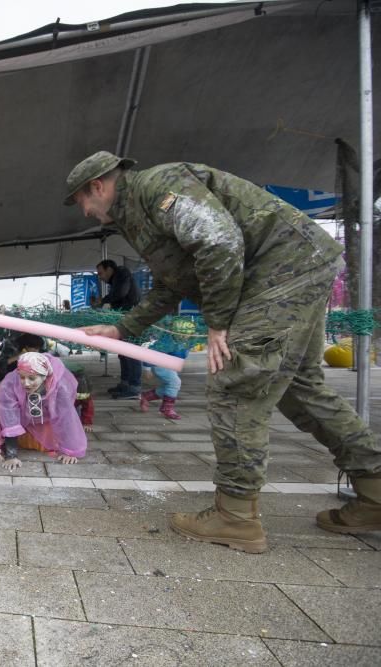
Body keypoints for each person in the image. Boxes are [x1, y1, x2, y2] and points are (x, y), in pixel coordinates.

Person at [65, 150, 381, 552]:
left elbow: (218, 240)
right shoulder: (138, 215)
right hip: (292, 270)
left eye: (83, 202)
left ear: (98, 185)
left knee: (236, 384)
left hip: (278, 272)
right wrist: (123, 327)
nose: (87, 212)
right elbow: (173, 281)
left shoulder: (158, 187)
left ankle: (235, 516)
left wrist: (218, 321)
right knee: (300, 389)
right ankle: (375, 489)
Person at [0, 352, 87, 471]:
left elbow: (66, 418)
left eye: (32, 378)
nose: (26, 383)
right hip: (23, 424)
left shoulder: (60, 386)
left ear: (44, 376)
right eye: (22, 377)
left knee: (51, 443)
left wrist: (69, 451)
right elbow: (8, 417)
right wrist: (11, 455)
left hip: (49, 424)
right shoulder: (9, 384)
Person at [94, 259, 142, 399]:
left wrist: (104, 301)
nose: (100, 276)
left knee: (131, 352)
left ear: (109, 269)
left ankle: (134, 387)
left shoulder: (122, 273)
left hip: (132, 318)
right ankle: (125, 383)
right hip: (124, 319)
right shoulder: (116, 279)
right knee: (123, 352)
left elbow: (121, 293)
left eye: (101, 273)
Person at [140, 318, 194, 420]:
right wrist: (147, 369)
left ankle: (146, 396)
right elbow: (151, 353)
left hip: (171, 365)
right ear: (174, 332)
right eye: (181, 333)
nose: (184, 336)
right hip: (160, 365)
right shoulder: (166, 341)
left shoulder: (187, 341)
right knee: (175, 383)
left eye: (187, 334)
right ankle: (167, 408)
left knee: (169, 386)